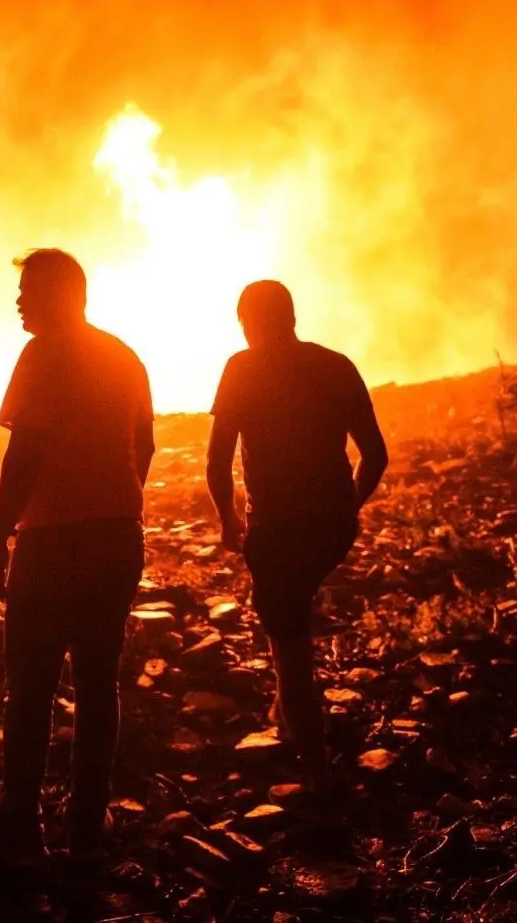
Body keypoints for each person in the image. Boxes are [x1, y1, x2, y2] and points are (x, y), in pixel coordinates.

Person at [0, 248, 155, 866]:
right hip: (116, 536)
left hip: (52, 540)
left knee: (30, 687)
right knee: (97, 681)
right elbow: (147, 444)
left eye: (30, 290)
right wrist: (119, 501)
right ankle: (87, 822)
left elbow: (23, 454)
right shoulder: (123, 357)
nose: (21, 301)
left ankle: (20, 824)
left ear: (65, 294)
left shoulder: (42, 354)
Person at [206, 280, 387, 790]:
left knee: (290, 645)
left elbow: (217, 460)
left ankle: (315, 767)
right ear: (290, 315)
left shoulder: (241, 368)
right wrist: (348, 508)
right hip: (331, 528)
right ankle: (290, 715)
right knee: (295, 608)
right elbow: (375, 455)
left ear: (248, 321)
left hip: (275, 531)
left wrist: (227, 518)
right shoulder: (336, 365)